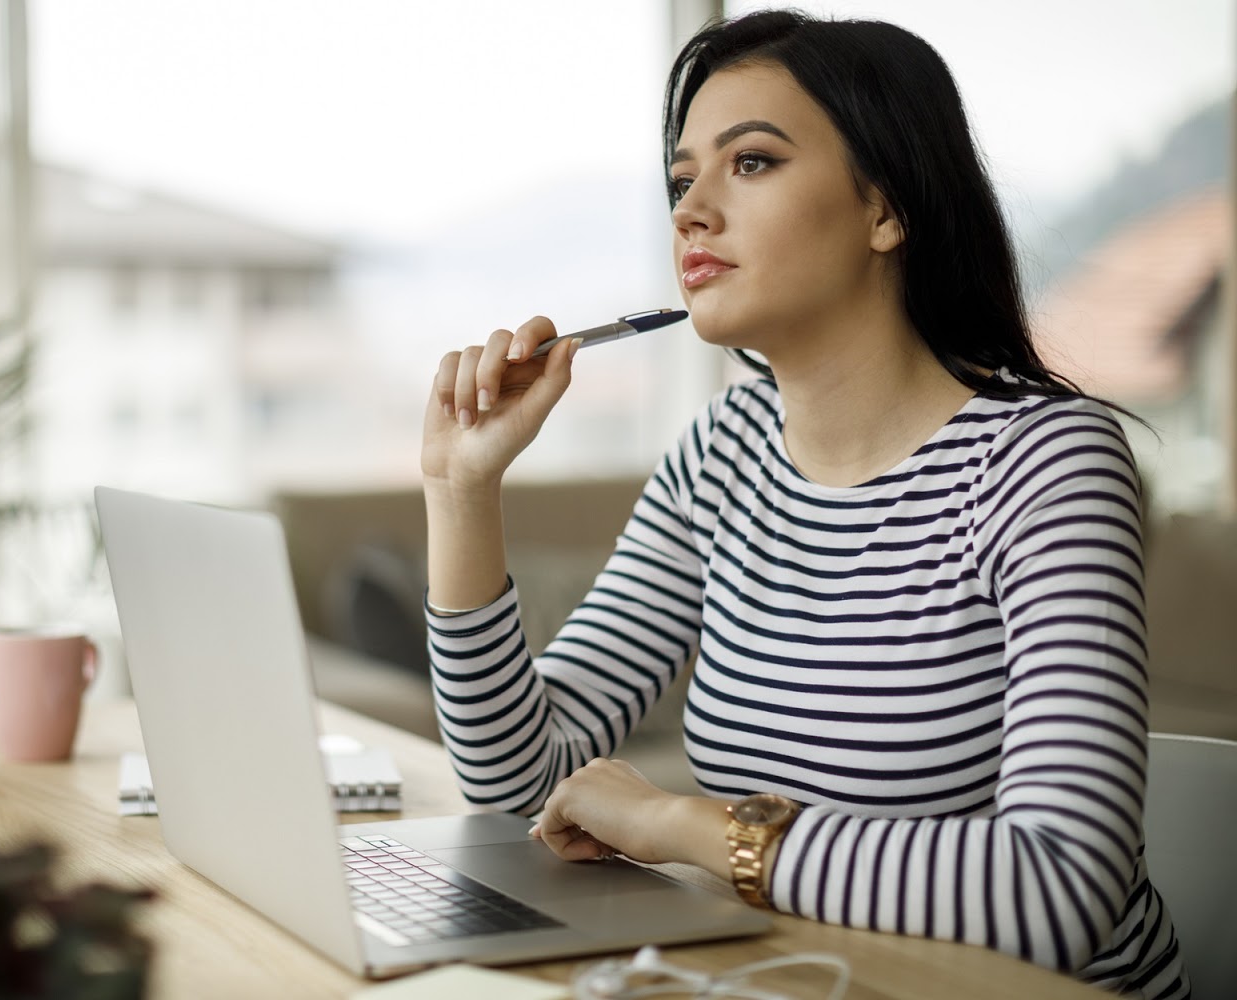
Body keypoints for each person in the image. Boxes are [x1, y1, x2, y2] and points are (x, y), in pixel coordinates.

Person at [419, 10, 1187, 999]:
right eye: (681, 179)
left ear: (884, 208)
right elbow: (521, 788)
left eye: (750, 163)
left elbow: (1055, 890)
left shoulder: (1047, 464)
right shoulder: (719, 454)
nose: (690, 211)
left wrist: (679, 825)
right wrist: (459, 491)